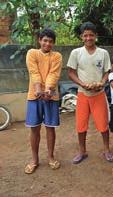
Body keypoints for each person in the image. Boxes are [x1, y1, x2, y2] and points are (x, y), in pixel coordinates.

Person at [67, 21, 113, 164]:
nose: (88, 38)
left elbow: (107, 72)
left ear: (96, 36)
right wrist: (83, 84)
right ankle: (82, 151)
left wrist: (102, 82)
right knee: (81, 125)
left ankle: (106, 150)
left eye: (91, 35)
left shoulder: (103, 53)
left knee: (103, 124)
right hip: (82, 94)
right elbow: (71, 72)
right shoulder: (76, 53)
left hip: (99, 94)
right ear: (81, 37)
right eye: (85, 35)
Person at [24, 28, 62, 174]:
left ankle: (51, 157)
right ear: (39, 40)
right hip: (34, 96)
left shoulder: (57, 56)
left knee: (50, 127)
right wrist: (39, 90)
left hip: (51, 96)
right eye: (45, 40)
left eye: (50, 41)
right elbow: (34, 72)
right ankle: (34, 160)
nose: (47, 43)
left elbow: (54, 74)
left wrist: (48, 91)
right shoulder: (32, 53)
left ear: (53, 43)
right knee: (34, 128)